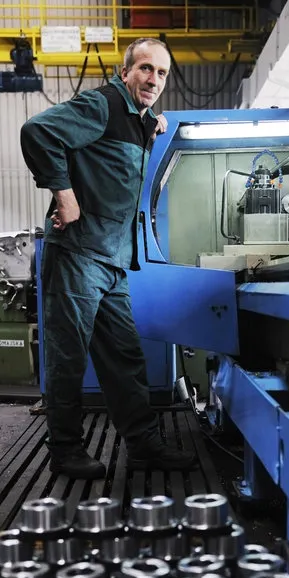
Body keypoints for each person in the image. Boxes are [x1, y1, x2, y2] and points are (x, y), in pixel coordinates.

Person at [21, 38, 197, 479]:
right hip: (78, 255)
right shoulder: (102, 105)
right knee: (68, 358)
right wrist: (65, 196)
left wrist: (150, 126)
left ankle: (143, 444)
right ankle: (65, 451)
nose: (153, 79)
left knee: (124, 356)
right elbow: (38, 131)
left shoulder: (139, 120)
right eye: (145, 68)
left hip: (112, 261)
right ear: (125, 72)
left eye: (161, 73)